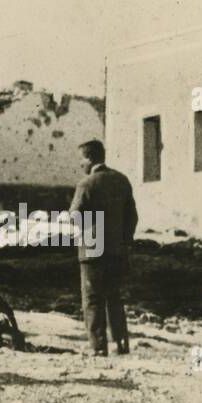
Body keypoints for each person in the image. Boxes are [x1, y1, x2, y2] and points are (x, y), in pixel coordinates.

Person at [69, 139, 138, 356]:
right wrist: (125, 241)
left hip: (93, 249)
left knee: (93, 299)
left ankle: (99, 347)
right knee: (114, 297)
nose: (80, 164)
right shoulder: (122, 180)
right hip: (117, 250)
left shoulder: (86, 184)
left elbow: (75, 216)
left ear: (89, 159)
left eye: (81, 159)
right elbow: (132, 217)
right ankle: (122, 344)